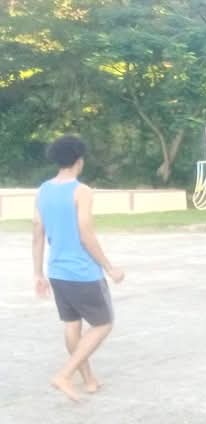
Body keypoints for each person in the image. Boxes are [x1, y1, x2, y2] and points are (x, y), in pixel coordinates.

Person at [32, 135, 125, 402]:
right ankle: (65, 374)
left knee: (72, 325)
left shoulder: (42, 190)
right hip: (82, 272)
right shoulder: (80, 191)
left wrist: (38, 273)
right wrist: (109, 267)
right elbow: (86, 233)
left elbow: (37, 232)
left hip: (57, 271)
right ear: (79, 160)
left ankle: (89, 380)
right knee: (103, 323)